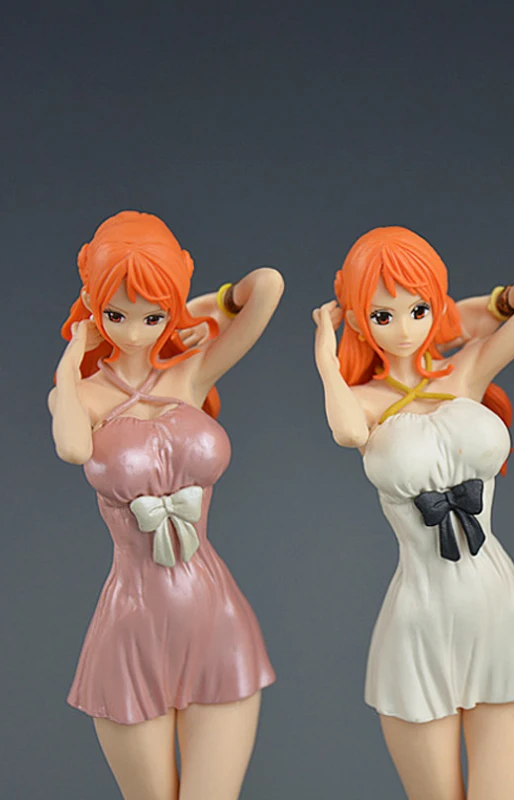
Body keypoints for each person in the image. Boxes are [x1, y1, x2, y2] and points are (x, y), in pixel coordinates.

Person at [313, 225, 514, 799]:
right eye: (383, 315)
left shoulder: (466, 372)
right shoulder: (365, 403)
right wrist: (327, 358)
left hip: (499, 608)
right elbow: (346, 431)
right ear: (358, 320)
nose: (404, 329)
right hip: (420, 618)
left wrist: (469, 313)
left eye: (418, 309)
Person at [49, 210, 284, 800]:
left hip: (215, 615)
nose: (134, 333)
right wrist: (70, 360)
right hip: (131, 624)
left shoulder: (190, 376)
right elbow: (73, 447)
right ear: (92, 304)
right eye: (117, 314)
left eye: (152, 316)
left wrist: (197, 307)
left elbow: (268, 286)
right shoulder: (83, 396)